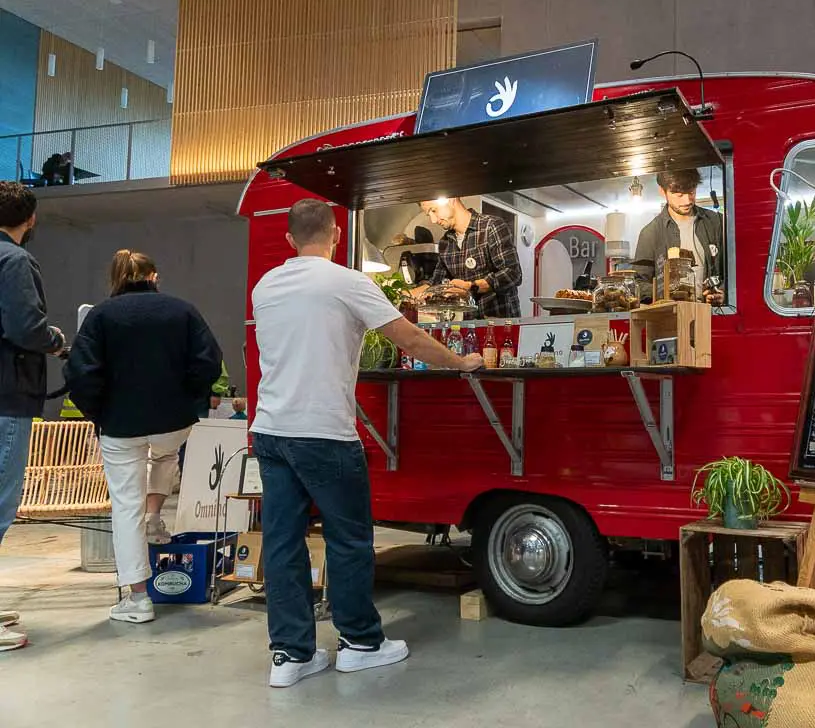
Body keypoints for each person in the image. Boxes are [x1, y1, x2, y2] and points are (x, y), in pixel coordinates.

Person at [251, 198, 482, 688]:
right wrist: (461, 364)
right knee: (349, 538)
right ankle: (360, 643)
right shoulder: (347, 282)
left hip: (270, 430)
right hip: (325, 432)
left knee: (282, 542)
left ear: (289, 240)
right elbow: (410, 339)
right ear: (336, 235)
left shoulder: (265, 286)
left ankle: (291, 656)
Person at [65, 250, 223, 625]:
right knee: (166, 456)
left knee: (124, 506)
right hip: (173, 420)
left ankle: (138, 598)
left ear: (117, 279)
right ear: (154, 277)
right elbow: (208, 361)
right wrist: (189, 398)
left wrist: (96, 412)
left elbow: (81, 373)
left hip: (120, 424)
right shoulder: (182, 310)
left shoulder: (101, 315)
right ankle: (155, 516)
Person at [0, 182, 67, 651]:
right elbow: (26, 327)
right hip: (6, 396)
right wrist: (56, 339)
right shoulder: (15, 261)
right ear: (31, 219)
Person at [411, 198, 522, 318]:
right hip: (466, 326)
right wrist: (403, 294)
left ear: (451, 199)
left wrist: (471, 287)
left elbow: (513, 274)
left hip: (499, 323)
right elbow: (435, 282)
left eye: (434, 210)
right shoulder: (445, 243)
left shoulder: (491, 226)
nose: (433, 220)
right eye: (429, 214)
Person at [634, 169, 726, 305]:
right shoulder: (650, 233)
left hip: (713, 314)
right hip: (671, 317)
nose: (687, 200)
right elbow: (639, 283)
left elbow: (736, 269)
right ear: (662, 191)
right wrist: (666, 293)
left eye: (692, 192)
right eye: (679, 195)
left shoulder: (717, 222)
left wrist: (723, 292)